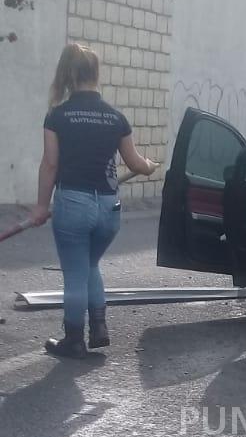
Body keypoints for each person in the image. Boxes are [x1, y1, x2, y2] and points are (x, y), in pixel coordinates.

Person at [30, 43, 158, 359]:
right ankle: (98, 328)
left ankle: (73, 340)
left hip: (73, 204)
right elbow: (135, 163)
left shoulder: (57, 116)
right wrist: (150, 166)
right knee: (89, 264)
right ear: (95, 74)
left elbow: (50, 165)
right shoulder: (116, 118)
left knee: (76, 272)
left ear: (67, 75)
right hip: (109, 207)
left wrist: (41, 206)